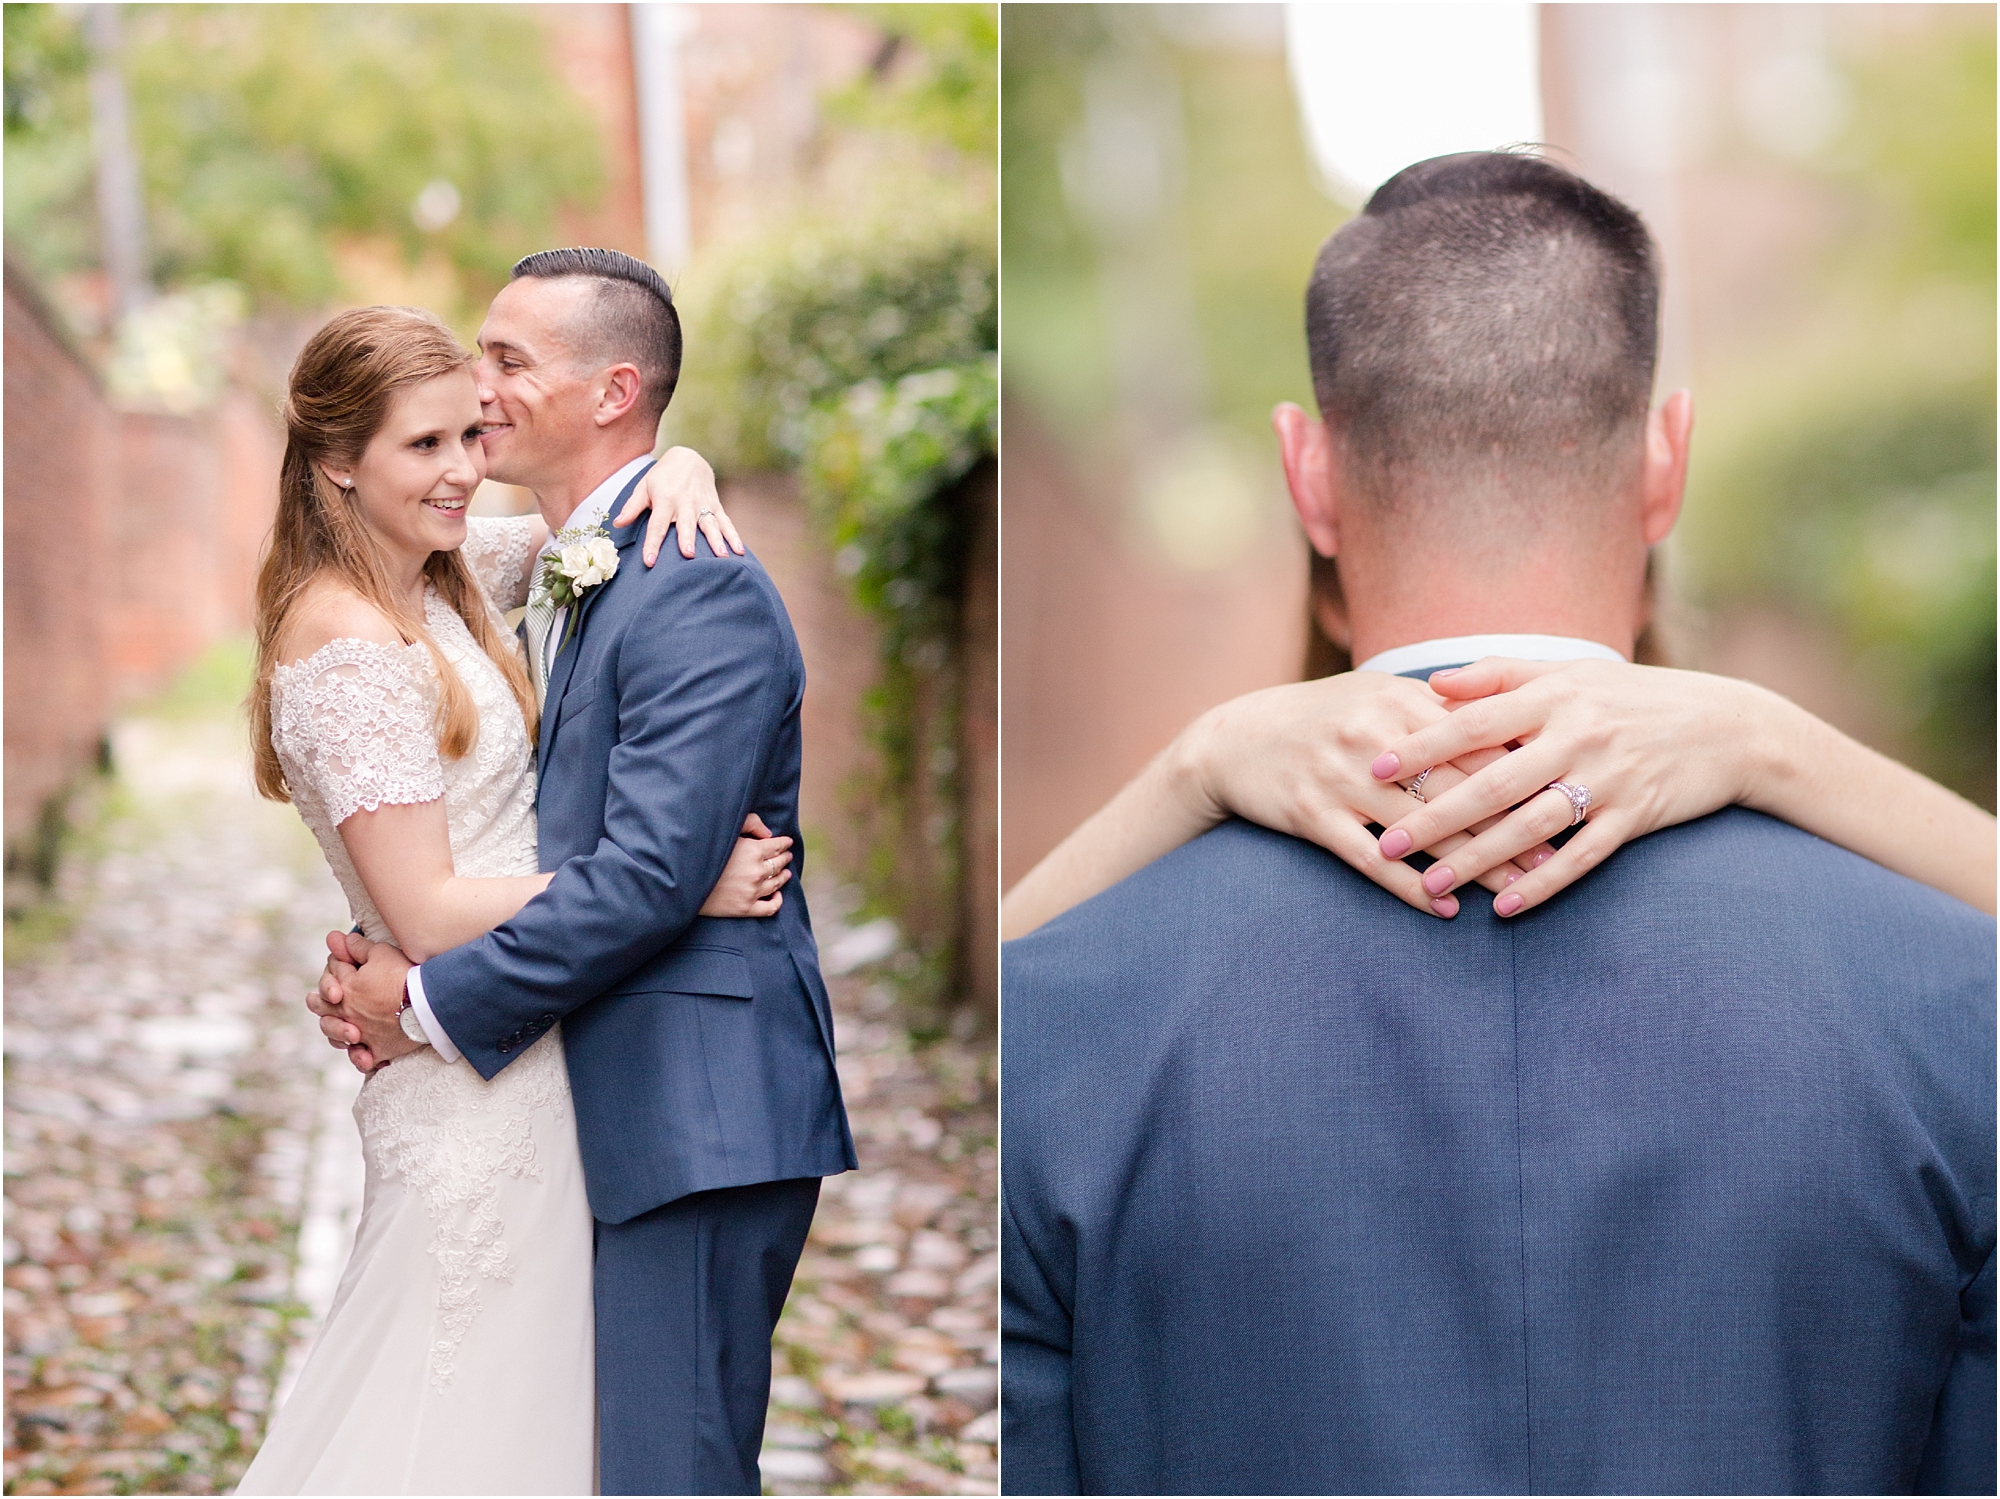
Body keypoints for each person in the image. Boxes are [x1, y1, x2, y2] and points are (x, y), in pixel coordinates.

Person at [1001, 153, 1994, 1495]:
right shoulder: (1953, 1002)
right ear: (1666, 463)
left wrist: (1188, 770)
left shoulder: (1062, 1014)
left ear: (1307, 474)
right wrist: (1780, 745)